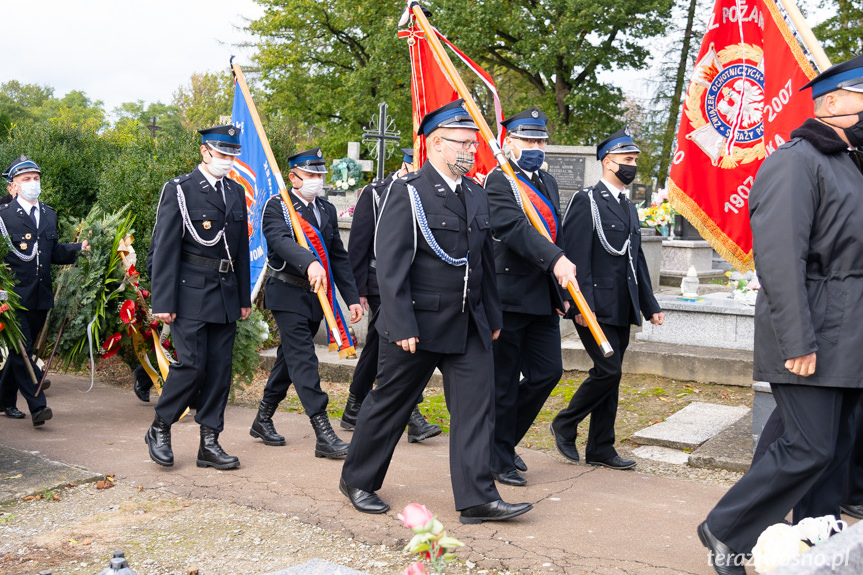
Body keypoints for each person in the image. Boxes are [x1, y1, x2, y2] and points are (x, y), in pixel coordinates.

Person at [698, 54, 863, 575]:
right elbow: (778, 259)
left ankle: (817, 547)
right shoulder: (796, 161)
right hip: (813, 330)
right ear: (832, 102)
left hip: (852, 333)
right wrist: (797, 341)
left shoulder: (851, 163)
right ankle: (725, 531)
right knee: (807, 448)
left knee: (835, 452)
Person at [339, 99, 532, 524]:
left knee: (476, 410)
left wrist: (494, 317)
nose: (471, 150)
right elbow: (390, 265)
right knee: (390, 404)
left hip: (468, 324)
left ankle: (477, 498)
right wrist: (402, 322)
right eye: (463, 143)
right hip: (418, 324)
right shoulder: (408, 193)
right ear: (435, 145)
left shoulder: (476, 194)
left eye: (473, 142)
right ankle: (359, 479)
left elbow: (483, 264)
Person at [550, 128, 663, 471]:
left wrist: (650, 304)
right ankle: (565, 423)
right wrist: (582, 306)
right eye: (627, 160)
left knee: (611, 376)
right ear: (608, 161)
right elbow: (574, 255)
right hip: (594, 306)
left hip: (622, 303)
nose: (632, 166)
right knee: (608, 370)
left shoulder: (627, 207)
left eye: (634, 161)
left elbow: (635, 260)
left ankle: (601, 446)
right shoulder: (587, 200)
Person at [145, 125, 251, 470]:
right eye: (222, 155)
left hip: (225, 293)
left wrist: (244, 296)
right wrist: (163, 301)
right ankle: (161, 427)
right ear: (205, 152)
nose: (228, 161)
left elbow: (240, 248)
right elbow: (163, 249)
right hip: (188, 292)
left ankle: (209, 442)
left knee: (219, 370)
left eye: (232, 155)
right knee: (190, 366)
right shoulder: (180, 190)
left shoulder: (235, 192)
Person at [249, 147, 363, 459]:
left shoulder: (325, 209)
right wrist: (309, 261)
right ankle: (323, 431)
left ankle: (262, 419)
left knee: (289, 359)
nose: (316, 180)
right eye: (310, 174)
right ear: (293, 176)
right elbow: (279, 240)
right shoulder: (278, 207)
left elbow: (339, 257)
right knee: (304, 359)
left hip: (317, 297)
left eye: (319, 175)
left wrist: (352, 298)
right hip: (286, 293)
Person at [484, 107, 577, 486]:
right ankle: (497, 455)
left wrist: (560, 290)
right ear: (510, 143)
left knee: (547, 372)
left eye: (541, 139)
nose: (537, 146)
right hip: (508, 297)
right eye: (529, 140)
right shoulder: (498, 181)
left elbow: (554, 234)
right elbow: (515, 229)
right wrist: (556, 261)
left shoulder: (548, 182)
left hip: (541, 297)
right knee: (504, 383)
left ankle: (503, 442)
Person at [342, 147, 441, 443]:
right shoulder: (376, 192)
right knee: (396, 345)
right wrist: (358, 291)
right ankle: (412, 416)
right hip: (380, 282)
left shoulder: (430, 191)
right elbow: (358, 244)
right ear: (407, 162)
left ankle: (354, 404)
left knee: (377, 345)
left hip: (416, 283)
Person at [0, 155, 89, 425]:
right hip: (13, 299)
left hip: (40, 296)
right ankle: (39, 407)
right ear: (13, 186)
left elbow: (51, 252)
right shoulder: (3, 217)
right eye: (26, 180)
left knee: (22, 352)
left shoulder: (48, 214)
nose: (32, 184)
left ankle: (3, 399)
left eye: (36, 179)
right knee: (22, 351)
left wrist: (78, 250)